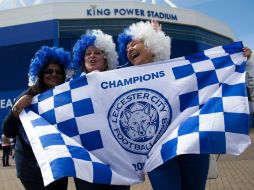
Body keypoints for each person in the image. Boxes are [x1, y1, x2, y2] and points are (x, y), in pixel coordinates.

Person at [118, 20, 252, 190]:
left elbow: (212, 78)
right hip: (156, 153)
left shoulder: (181, 70)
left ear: (151, 46)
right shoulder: (123, 80)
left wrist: (236, 58)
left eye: (134, 44)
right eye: (127, 48)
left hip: (191, 145)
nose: (129, 49)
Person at [2, 46, 71, 190]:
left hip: (58, 167)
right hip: (31, 169)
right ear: (40, 72)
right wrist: (16, 109)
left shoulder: (66, 97)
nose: (54, 74)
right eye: (49, 71)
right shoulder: (27, 96)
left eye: (59, 72)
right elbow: (8, 132)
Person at [72, 29, 130, 190]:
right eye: (87, 53)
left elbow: (144, 69)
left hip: (119, 160)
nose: (92, 56)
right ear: (82, 59)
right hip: (87, 161)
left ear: (106, 58)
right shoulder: (70, 87)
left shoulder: (120, 80)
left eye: (97, 53)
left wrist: (152, 39)